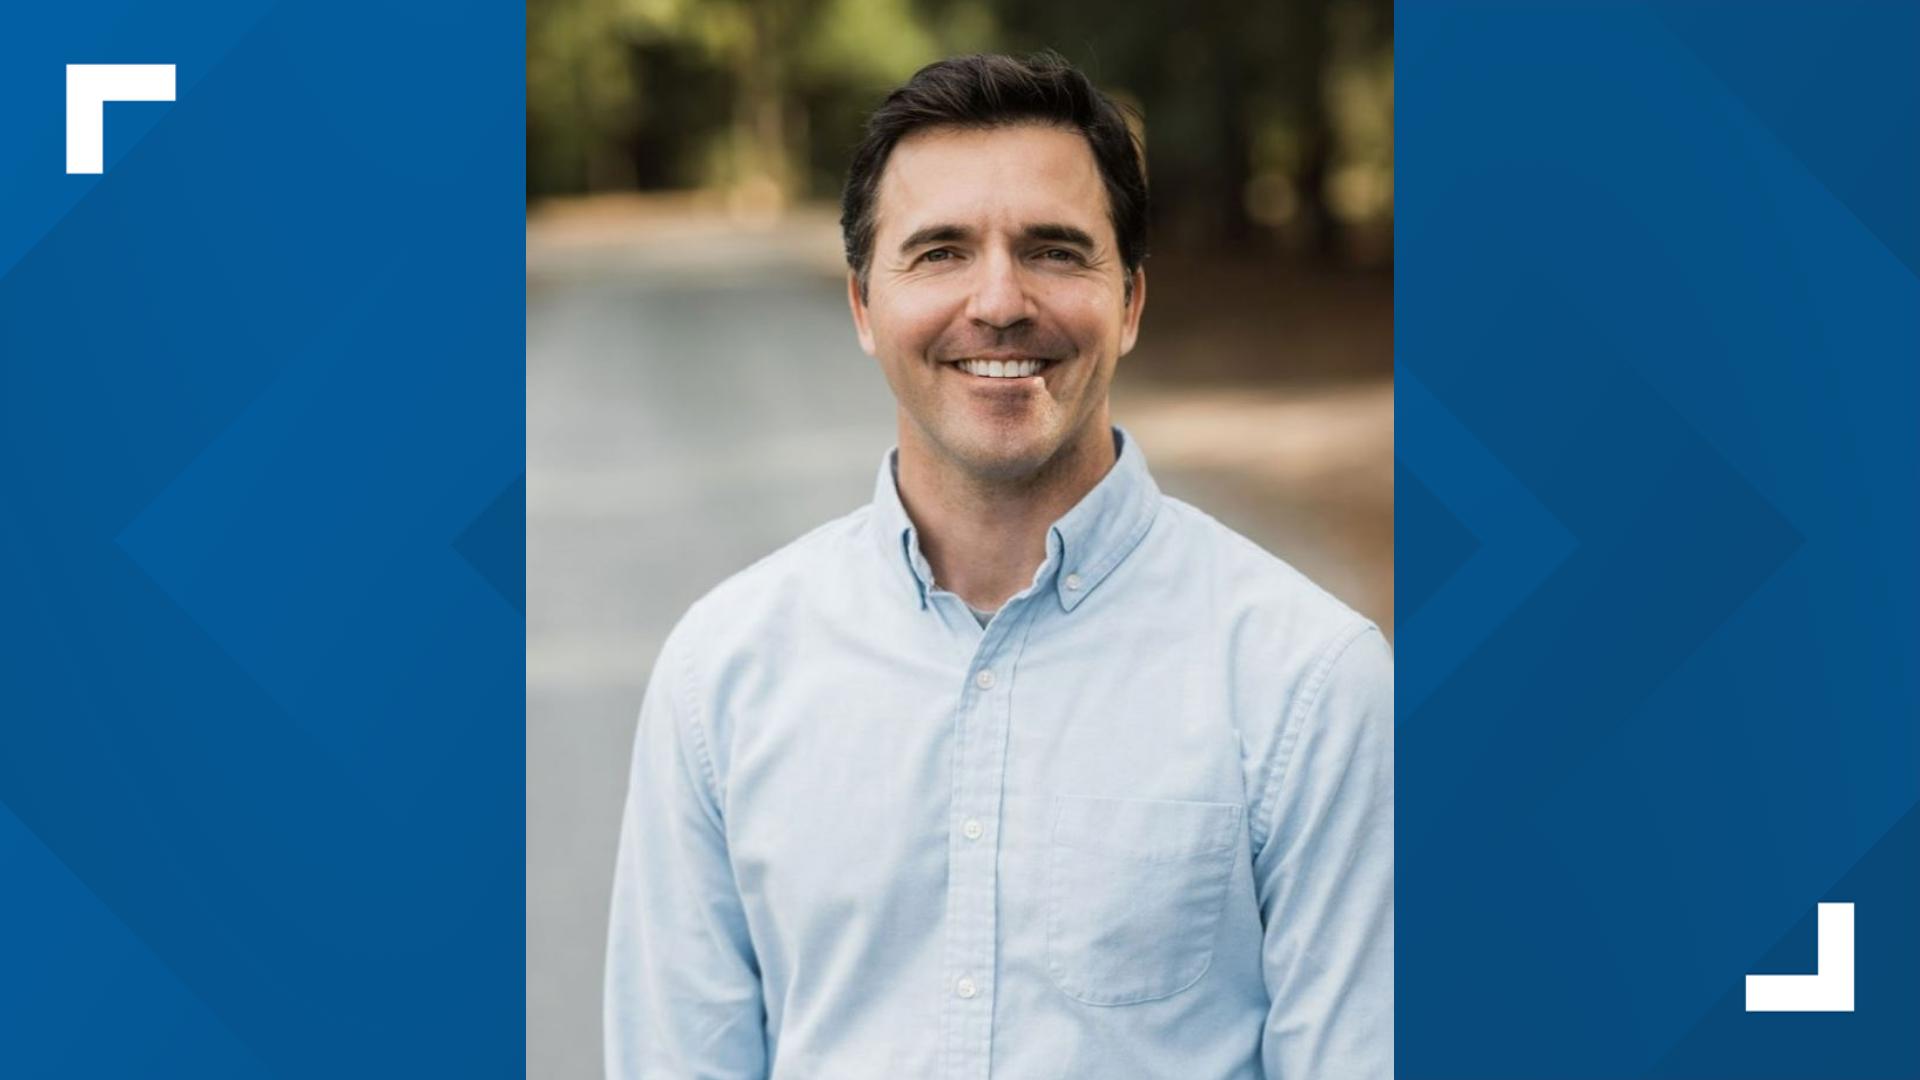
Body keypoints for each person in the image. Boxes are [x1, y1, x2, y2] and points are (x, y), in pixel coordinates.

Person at [605, 51, 1392, 1079]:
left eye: (1055, 251)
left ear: (1133, 302)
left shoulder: (1311, 681)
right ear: (862, 305)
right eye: (939, 252)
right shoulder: (723, 673)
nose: (999, 301)